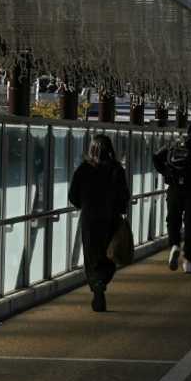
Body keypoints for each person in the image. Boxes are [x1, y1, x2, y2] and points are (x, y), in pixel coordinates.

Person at [68, 134, 131, 312]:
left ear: (92, 148)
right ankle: (102, 280)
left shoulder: (83, 169)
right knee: (110, 255)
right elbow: (124, 195)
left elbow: (73, 195)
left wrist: (85, 205)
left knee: (91, 256)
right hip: (111, 218)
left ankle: (96, 285)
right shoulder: (116, 169)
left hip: (89, 220)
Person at [154, 119, 191, 273]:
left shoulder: (174, 146)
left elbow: (156, 158)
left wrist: (167, 174)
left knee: (173, 220)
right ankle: (188, 260)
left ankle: (174, 245)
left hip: (174, 189)